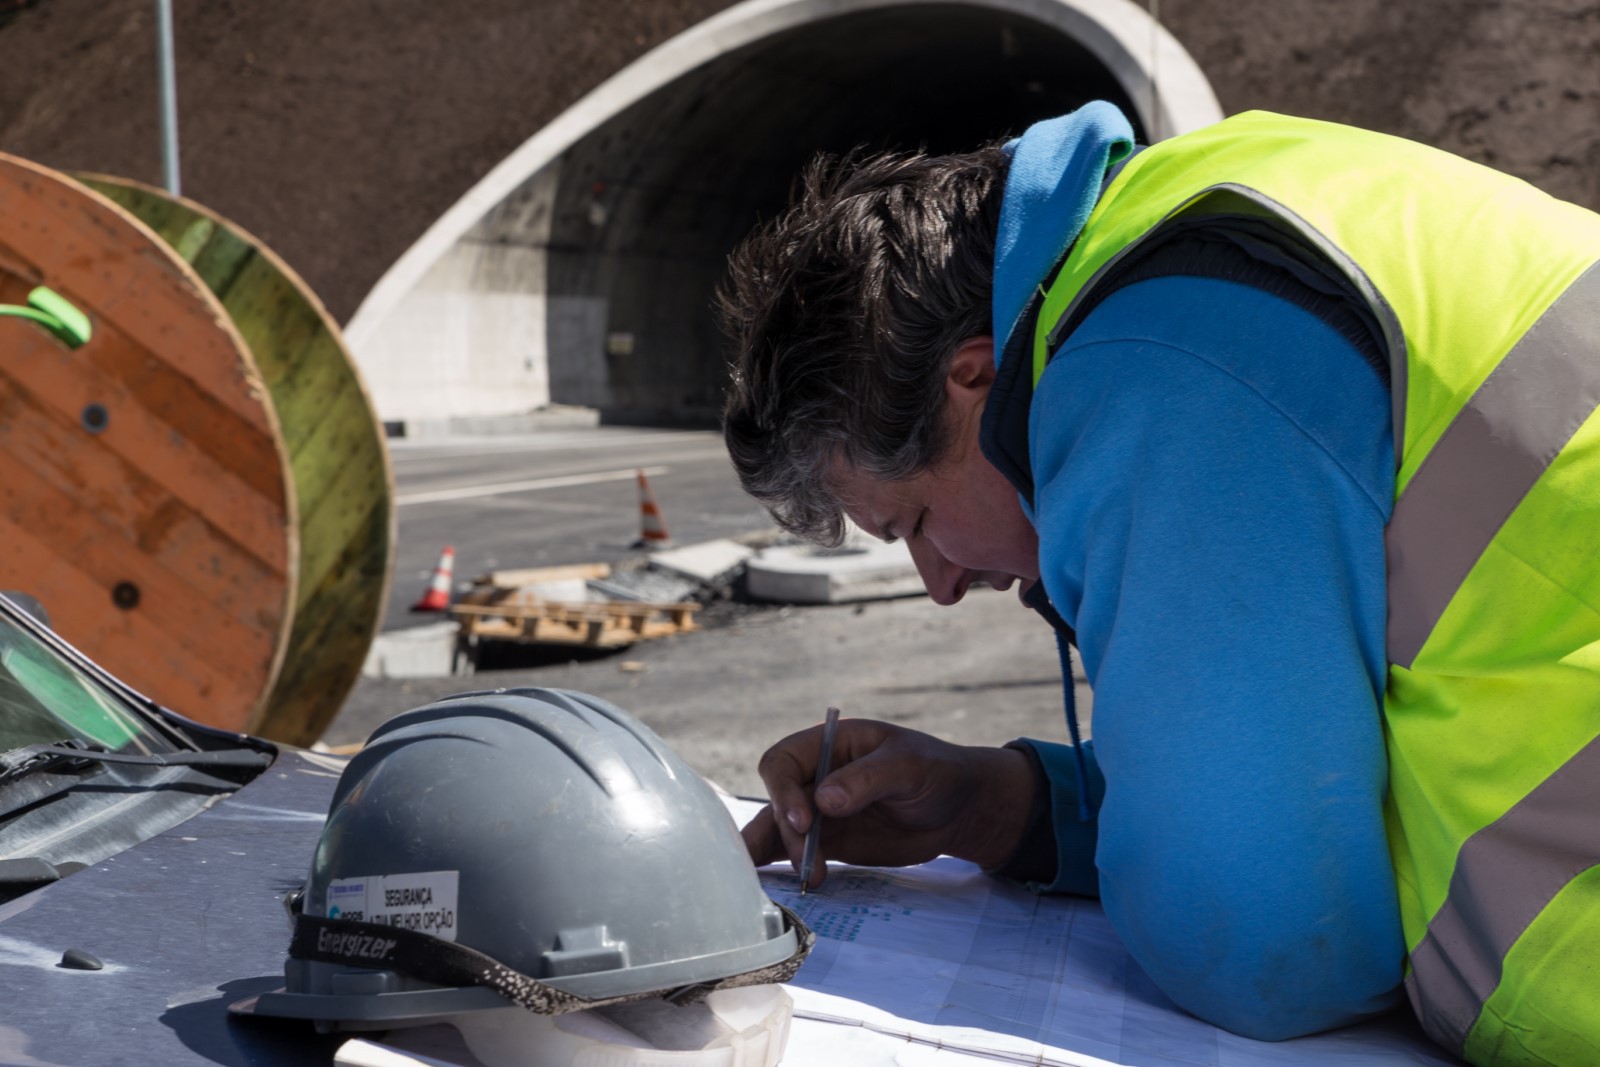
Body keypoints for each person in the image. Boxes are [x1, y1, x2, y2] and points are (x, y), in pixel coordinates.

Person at [716, 100, 1600, 1067]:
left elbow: (1266, 953)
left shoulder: (1156, 366)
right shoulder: (1207, 211)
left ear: (972, 378)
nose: (939, 583)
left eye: (913, 523)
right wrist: (996, 803)